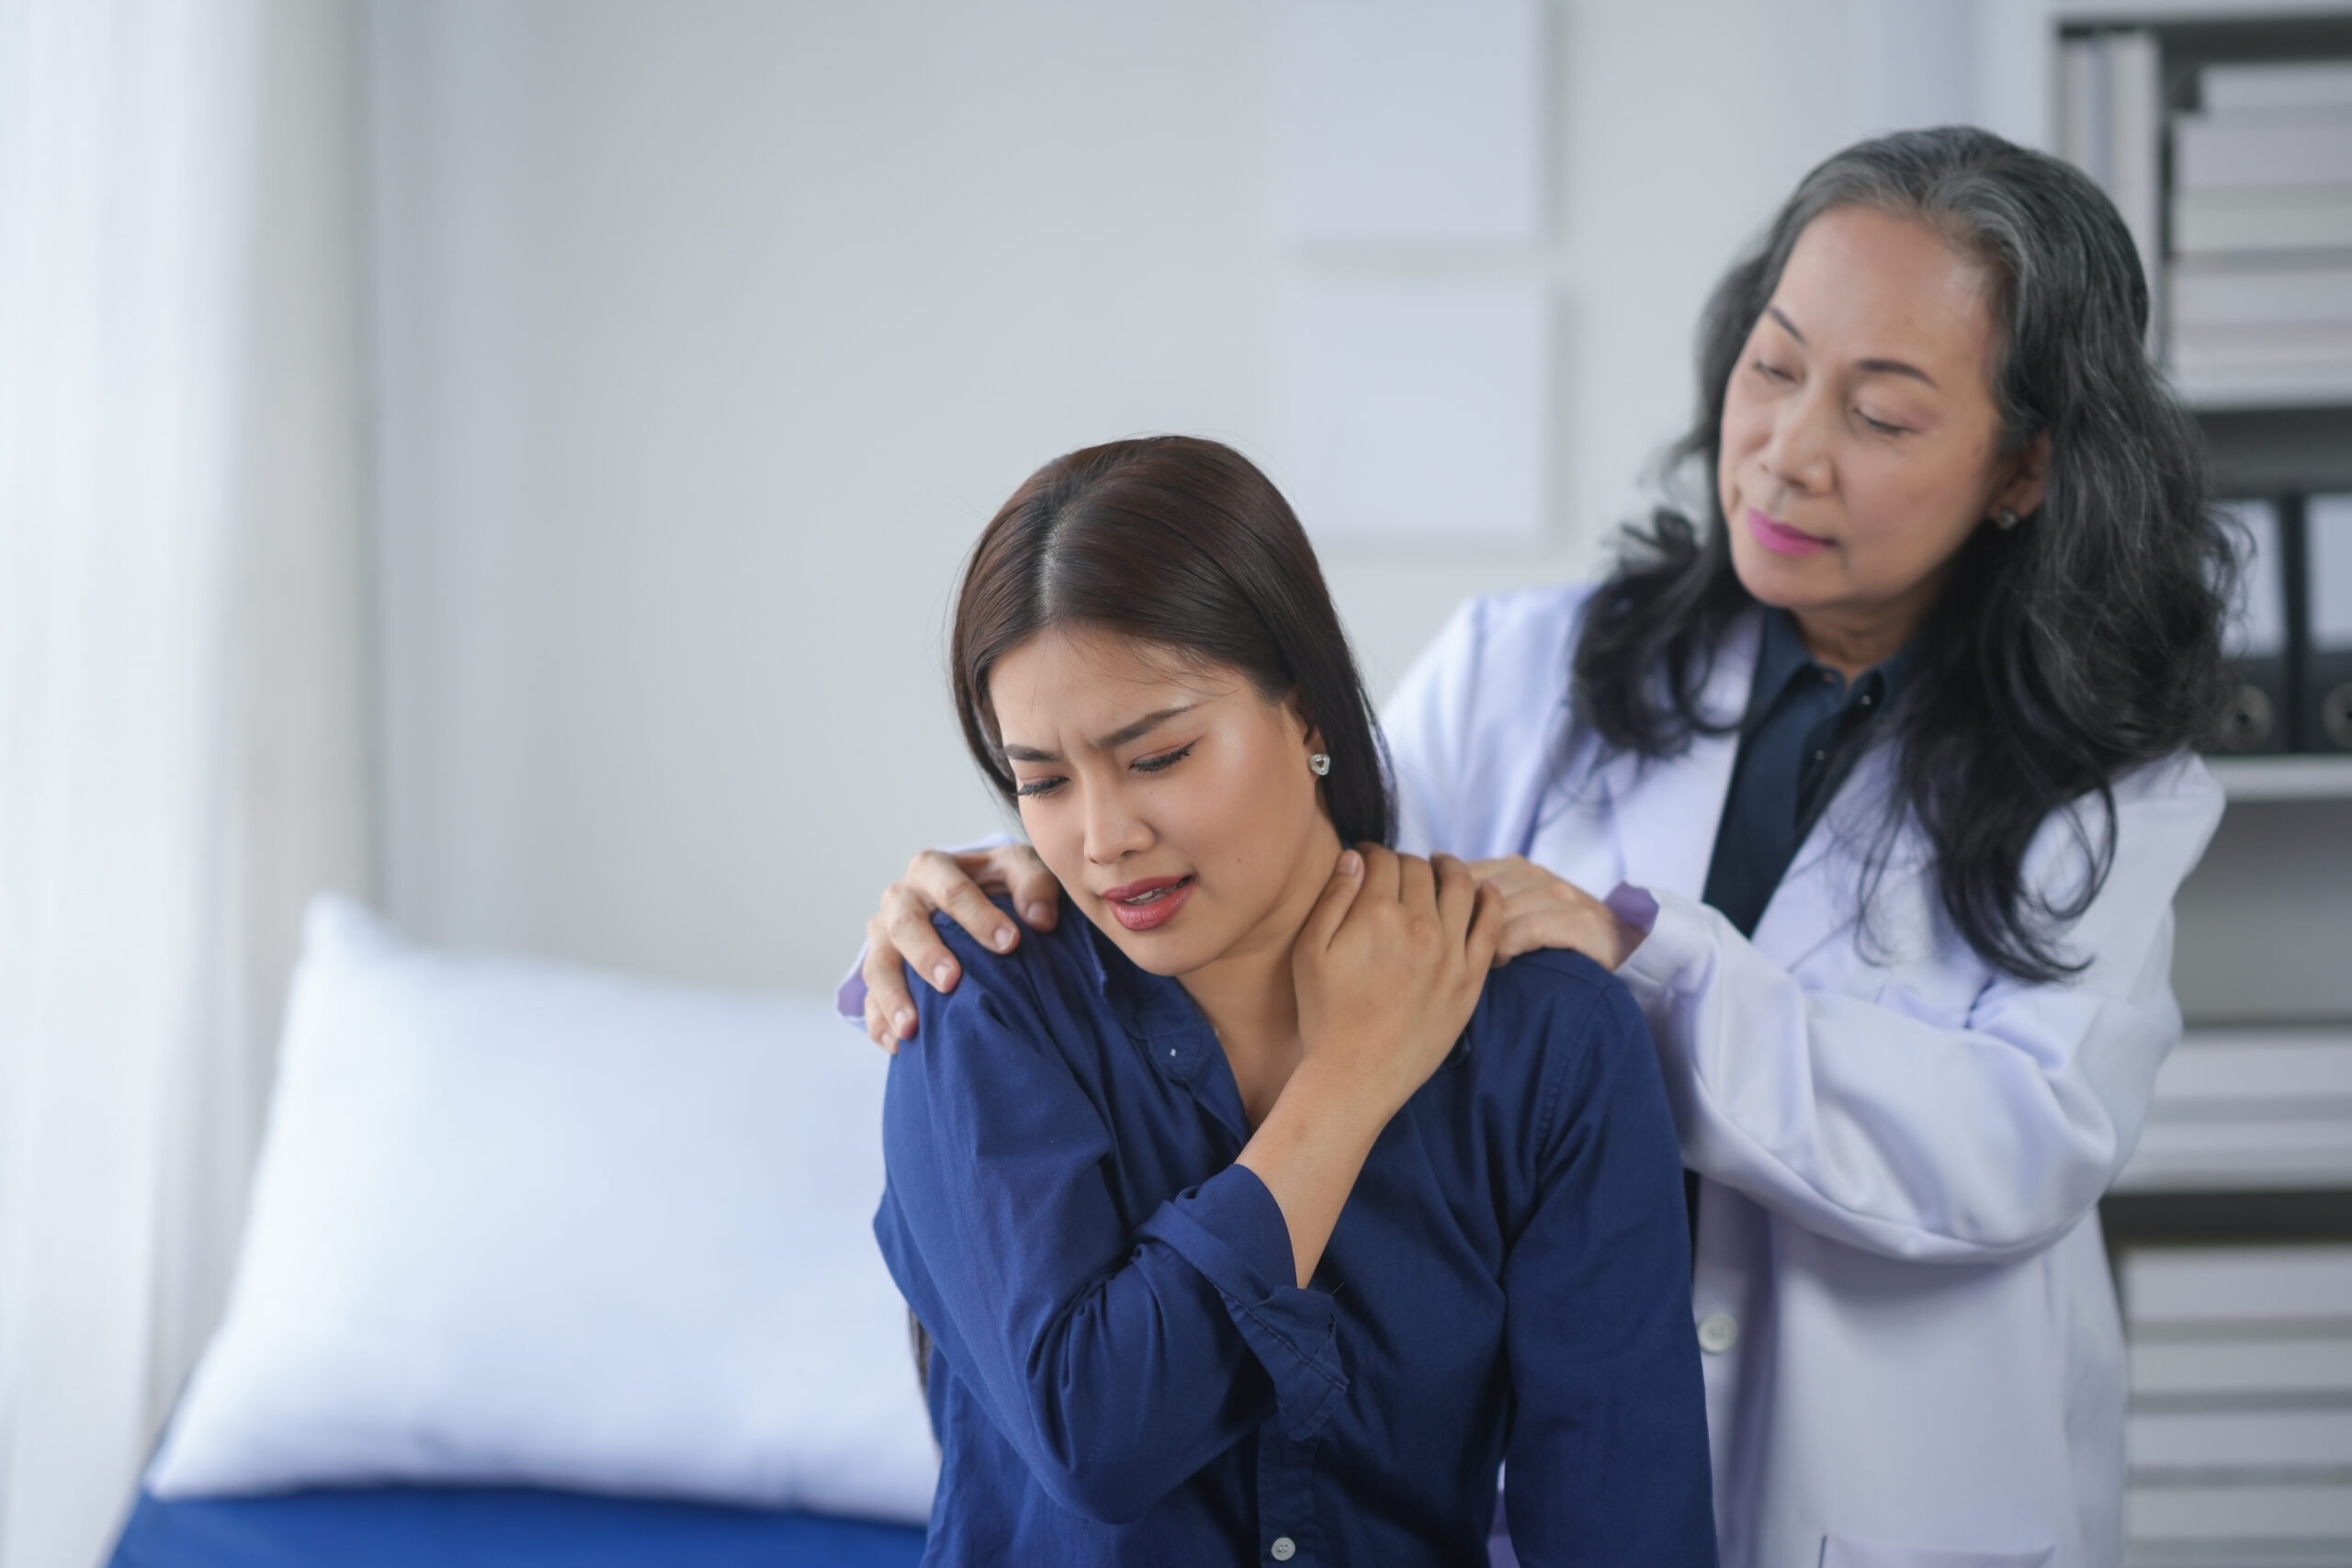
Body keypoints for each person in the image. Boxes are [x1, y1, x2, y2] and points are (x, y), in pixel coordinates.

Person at [850, 129, 2236, 1566]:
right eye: (1771, 366)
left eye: (1881, 416)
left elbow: (2016, 1142)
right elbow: (1281, 833)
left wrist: (1652, 956)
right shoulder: (1532, 664)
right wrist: (989, 882)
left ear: (2023, 466)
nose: (1788, 450)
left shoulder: (2115, 789)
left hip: (1892, 1480)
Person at [872, 435, 1716, 1565]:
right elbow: (1100, 1441)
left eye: (1159, 755)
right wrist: (1351, 1080)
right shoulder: (979, 1005)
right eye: (1042, 781)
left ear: (1309, 712)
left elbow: (1623, 1523)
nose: (1105, 839)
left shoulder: (1547, 1045)